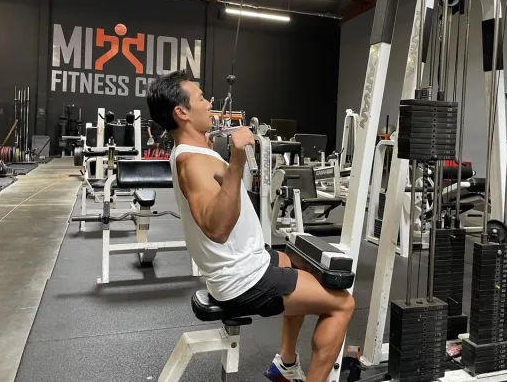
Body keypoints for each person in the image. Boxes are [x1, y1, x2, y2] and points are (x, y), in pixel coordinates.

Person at [147, 72, 354, 382]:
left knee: (300, 267)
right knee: (343, 304)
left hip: (246, 261)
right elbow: (217, 228)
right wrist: (238, 158)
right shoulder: (193, 163)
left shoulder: (196, 152)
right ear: (182, 112)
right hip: (242, 279)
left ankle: (285, 364)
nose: (209, 104)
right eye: (201, 98)